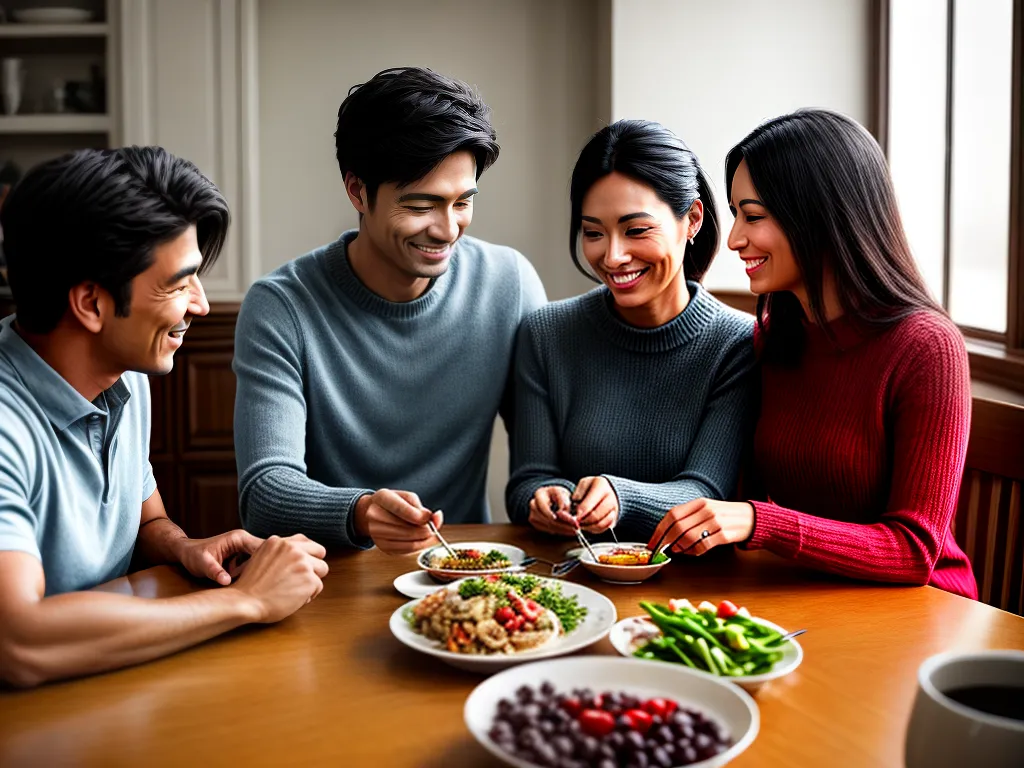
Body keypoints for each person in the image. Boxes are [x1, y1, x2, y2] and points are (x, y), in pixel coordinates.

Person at [0, 148, 329, 688]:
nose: (199, 304)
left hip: (103, 687)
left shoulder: (125, 373)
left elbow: (145, 519)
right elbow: (17, 641)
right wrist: (244, 602)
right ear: (92, 303)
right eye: (179, 283)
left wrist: (185, 547)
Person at [648, 109, 977, 599]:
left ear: (821, 215)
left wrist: (764, 523)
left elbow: (914, 551)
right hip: (810, 595)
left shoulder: (927, 347)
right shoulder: (776, 335)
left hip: (921, 611)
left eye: (753, 216)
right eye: (737, 215)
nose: (736, 238)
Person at [233, 67, 546, 554]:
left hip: (465, 575)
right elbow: (265, 492)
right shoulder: (281, 305)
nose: (447, 230)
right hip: (328, 575)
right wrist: (360, 512)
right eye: (421, 205)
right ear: (357, 191)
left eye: (462, 202)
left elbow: (539, 466)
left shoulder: (509, 283)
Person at [506, 120, 758, 541]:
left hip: (688, 587)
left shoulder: (736, 343)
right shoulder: (546, 333)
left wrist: (620, 497)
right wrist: (543, 498)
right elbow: (527, 481)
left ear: (692, 219)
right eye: (593, 233)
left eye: (636, 230)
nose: (613, 256)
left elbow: (707, 492)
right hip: (571, 579)